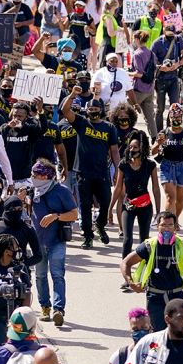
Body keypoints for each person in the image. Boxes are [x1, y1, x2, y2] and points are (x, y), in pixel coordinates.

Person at [121, 212, 183, 330]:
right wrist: (130, 282)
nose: (167, 228)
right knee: (156, 337)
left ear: (176, 227)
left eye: (170, 225)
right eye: (163, 225)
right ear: (157, 227)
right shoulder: (149, 246)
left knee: (181, 333)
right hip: (155, 298)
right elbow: (126, 263)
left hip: (177, 297)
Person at [61, 85, 119, 249]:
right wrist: (72, 94)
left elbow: (114, 151)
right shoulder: (81, 122)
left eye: (96, 108)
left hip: (101, 173)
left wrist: (117, 170)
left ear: (101, 110)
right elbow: (65, 111)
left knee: (106, 203)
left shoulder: (109, 128)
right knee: (84, 206)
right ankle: (88, 235)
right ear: (86, 110)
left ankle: (100, 225)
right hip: (82, 172)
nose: (93, 111)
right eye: (90, 108)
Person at [26, 159, 78, 326]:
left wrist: (56, 216)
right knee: (40, 276)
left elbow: (74, 214)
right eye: (32, 174)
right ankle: (45, 307)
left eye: (37, 175)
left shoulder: (61, 191)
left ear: (46, 176)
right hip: (37, 241)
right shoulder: (32, 190)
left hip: (56, 241)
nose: (33, 178)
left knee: (57, 275)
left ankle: (58, 310)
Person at [112, 132, 160, 261]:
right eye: (130, 147)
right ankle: (125, 270)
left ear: (142, 149)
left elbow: (156, 188)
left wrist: (159, 211)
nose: (132, 150)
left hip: (145, 206)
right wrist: (109, 209)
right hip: (128, 205)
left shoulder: (150, 165)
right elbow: (117, 188)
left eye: (135, 147)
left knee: (144, 240)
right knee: (127, 239)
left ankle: (144, 270)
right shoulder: (123, 165)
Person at [152, 103, 183, 218]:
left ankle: (175, 219)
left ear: (182, 117)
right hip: (167, 167)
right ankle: (168, 223)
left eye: (178, 117)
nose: (175, 120)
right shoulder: (164, 133)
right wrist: (158, 143)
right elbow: (152, 152)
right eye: (173, 117)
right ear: (169, 118)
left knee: (179, 199)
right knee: (170, 198)